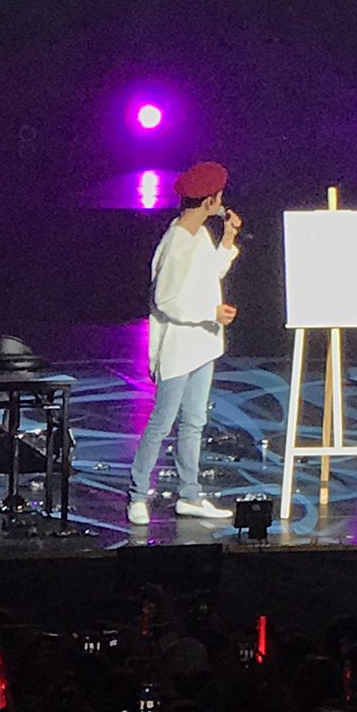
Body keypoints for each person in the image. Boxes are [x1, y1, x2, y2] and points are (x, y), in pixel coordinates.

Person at [128, 160, 242, 526]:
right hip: (178, 347)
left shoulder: (201, 235)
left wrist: (228, 240)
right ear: (210, 200)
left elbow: (211, 274)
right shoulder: (176, 241)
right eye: (219, 196)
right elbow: (166, 300)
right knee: (163, 421)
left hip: (203, 344)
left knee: (194, 421)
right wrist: (211, 312)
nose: (221, 201)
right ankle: (137, 495)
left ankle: (189, 494)